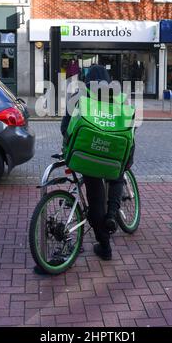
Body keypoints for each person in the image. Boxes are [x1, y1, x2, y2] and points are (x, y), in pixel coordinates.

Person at [61, 64, 134, 261]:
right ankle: (112, 214)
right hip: (113, 156)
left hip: (88, 155)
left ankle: (105, 246)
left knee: (95, 202)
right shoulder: (120, 98)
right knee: (117, 175)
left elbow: (65, 128)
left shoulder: (78, 96)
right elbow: (130, 129)